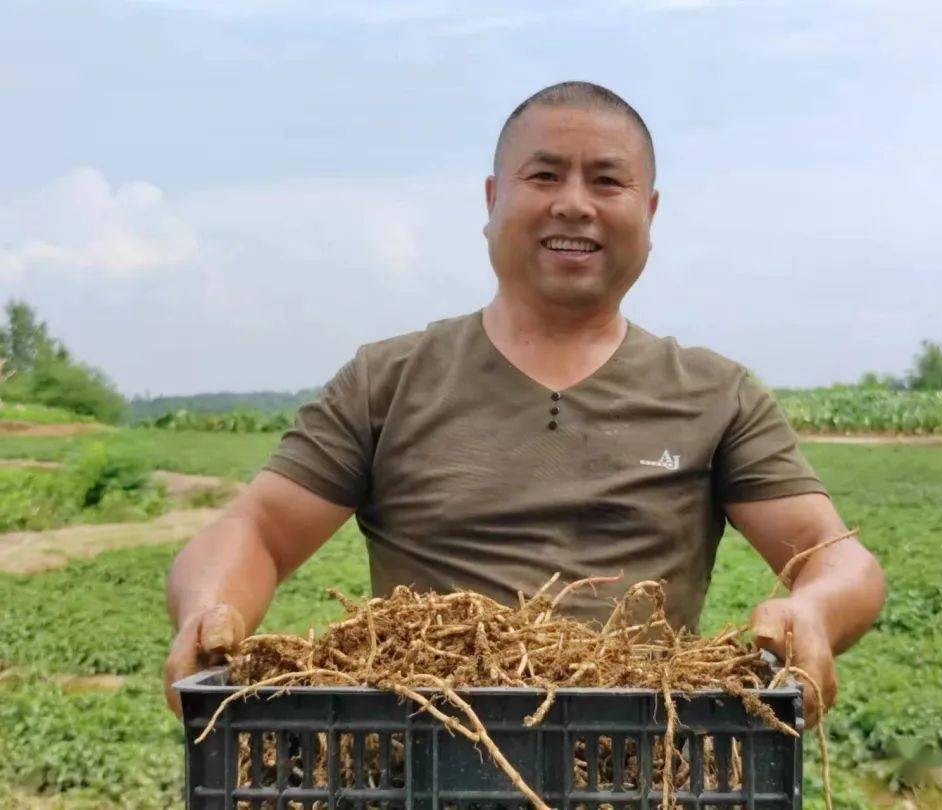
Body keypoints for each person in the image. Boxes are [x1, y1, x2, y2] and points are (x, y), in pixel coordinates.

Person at [164, 81, 886, 727]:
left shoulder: (715, 394)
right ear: (492, 200)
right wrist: (209, 612)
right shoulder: (389, 381)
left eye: (608, 181)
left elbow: (840, 562)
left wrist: (812, 610)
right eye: (544, 174)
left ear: (649, 210)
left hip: (638, 761)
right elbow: (256, 530)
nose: (574, 202)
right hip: (422, 752)